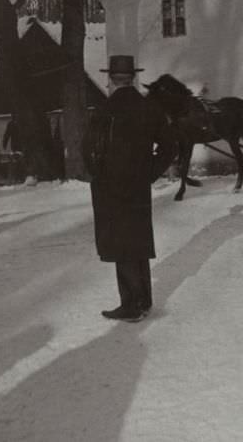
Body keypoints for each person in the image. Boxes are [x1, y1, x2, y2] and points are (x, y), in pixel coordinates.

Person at [82, 55, 175, 322]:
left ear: (110, 79)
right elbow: (170, 147)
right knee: (138, 243)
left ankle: (131, 305)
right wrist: (149, 173)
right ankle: (144, 301)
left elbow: (87, 149)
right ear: (133, 78)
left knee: (121, 245)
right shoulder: (149, 109)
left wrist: (99, 174)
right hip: (138, 189)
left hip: (111, 189)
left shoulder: (104, 110)